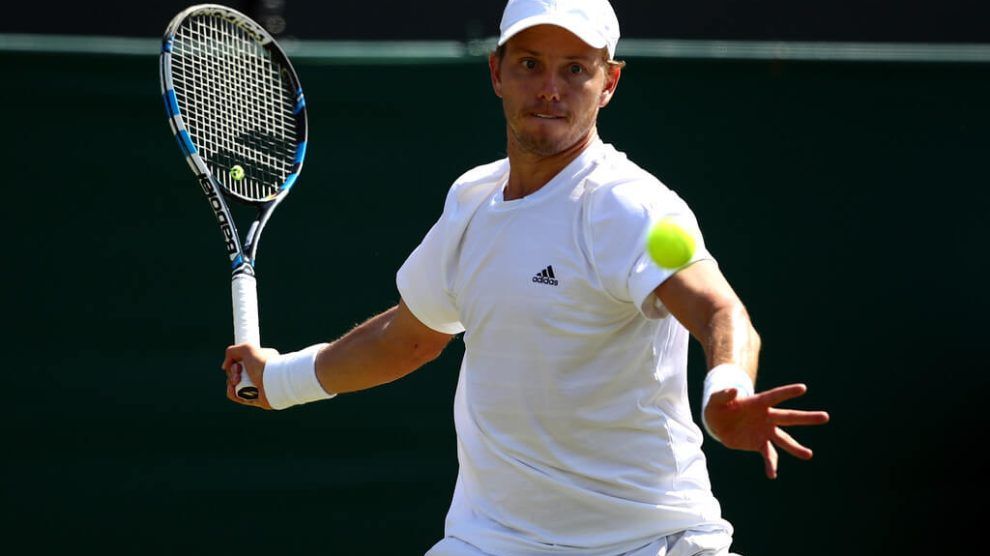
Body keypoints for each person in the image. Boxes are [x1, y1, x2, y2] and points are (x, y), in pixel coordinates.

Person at [222, 0, 830, 554]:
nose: (549, 89)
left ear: (608, 83)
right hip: (493, 541)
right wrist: (279, 381)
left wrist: (724, 389)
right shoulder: (472, 203)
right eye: (531, 64)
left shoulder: (629, 207)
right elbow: (408, 335)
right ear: (497, 72)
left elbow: (720, 311)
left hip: (650, 541)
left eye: (575, 70)